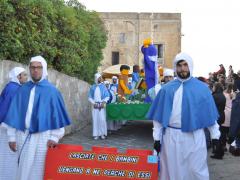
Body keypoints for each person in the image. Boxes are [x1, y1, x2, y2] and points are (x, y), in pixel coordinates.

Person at [147, 52, 222, 180]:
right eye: (179, 65)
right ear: (175, 67)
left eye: (185, 65)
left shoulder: (202, 89)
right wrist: (157, 139)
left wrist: (215, 136)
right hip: (171, 137)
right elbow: (158, 118)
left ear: (190, 66)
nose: (182, 68)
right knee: (171, 171)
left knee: (196, 170)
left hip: (194, 137)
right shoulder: (166, 89)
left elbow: (210, 116)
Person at [2, 56, 71, 180]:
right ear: (29, 69)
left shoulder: (52, 91)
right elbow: (14, 114)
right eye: (33, 67)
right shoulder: (22, 90)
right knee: (21, 169)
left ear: (43, 69)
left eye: (38, 67)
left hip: (43, 137)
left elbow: (57, 117)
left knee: (39, 171)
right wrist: (11, 137)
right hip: (22, 135)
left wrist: (55, 136)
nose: (35, 70)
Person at [0, 67, 27, 180]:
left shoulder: (11, 86)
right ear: (18, 76)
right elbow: (10, 109)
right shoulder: (15, 89)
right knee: (9, 155)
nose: (26, 77)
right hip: (8, 127)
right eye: (24, 75)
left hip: (5, 125)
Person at [88, 73, 110, 140]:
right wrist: (93, 103)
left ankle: (102, 134)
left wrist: (104, 102)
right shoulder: (92, 87)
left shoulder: (103, 87)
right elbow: (89, 97)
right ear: (96, 79)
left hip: (101, 105)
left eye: (101, 78)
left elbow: (107, 96)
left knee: (102, 120)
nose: (101, 79)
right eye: (99, 78)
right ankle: (96, 134)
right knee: (95, 119)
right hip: (95, 106)